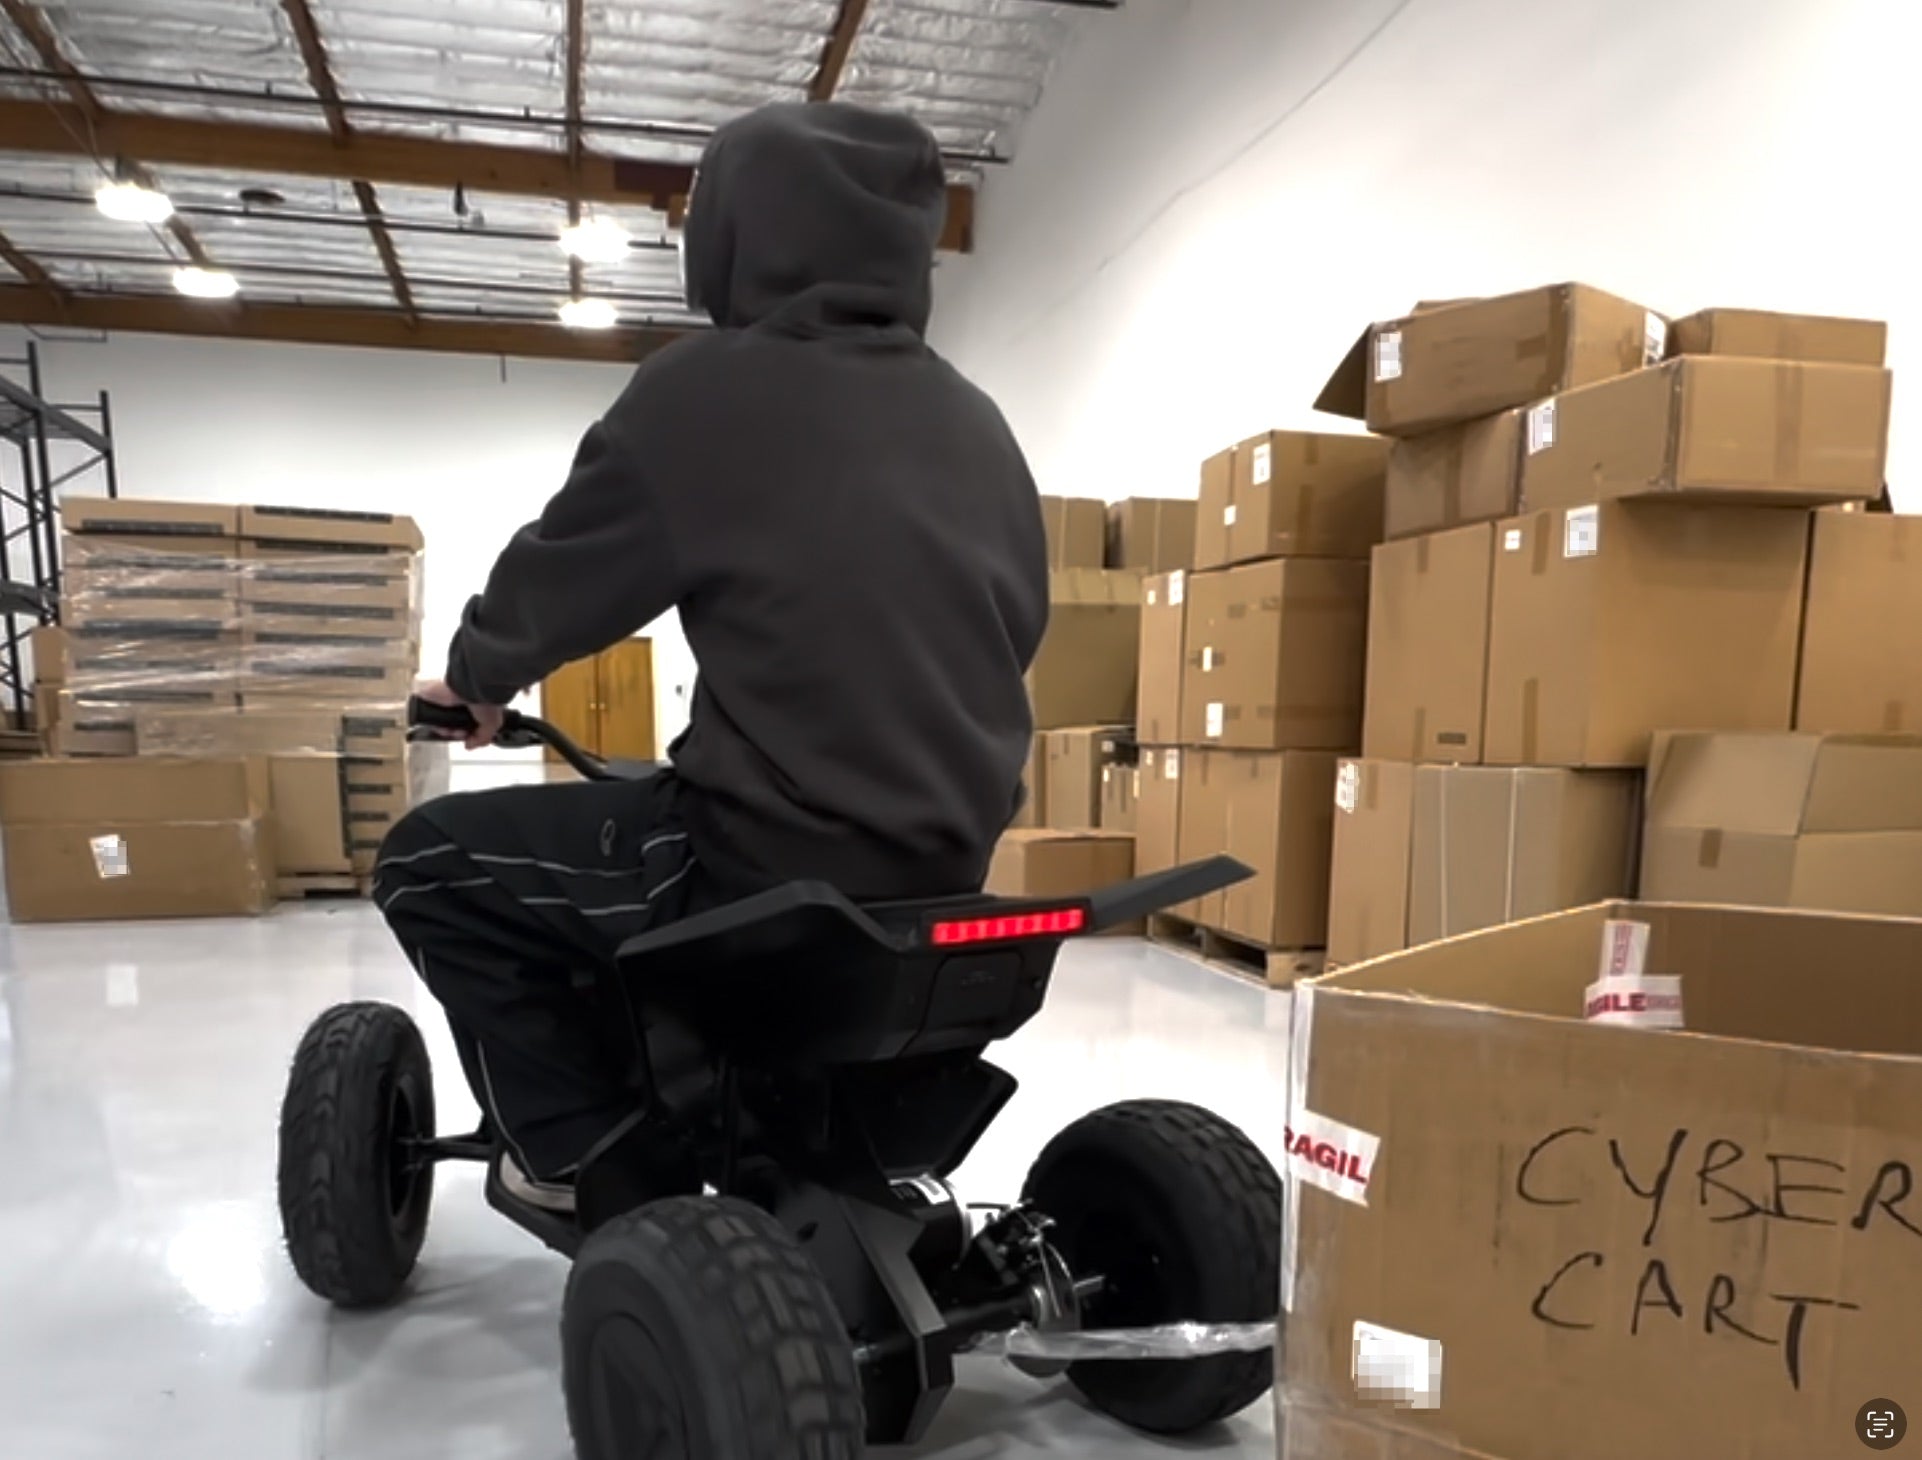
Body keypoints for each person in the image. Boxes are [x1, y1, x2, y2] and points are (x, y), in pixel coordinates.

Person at [374, 101, 1049, 1216]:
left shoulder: (706, 389)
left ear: (734, 232)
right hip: (945, 861)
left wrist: (476, 679)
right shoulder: (975, 420)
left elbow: (567, 570)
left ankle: (582, 1158)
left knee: (428, 861)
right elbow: (1013, 624)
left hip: (762, 856)